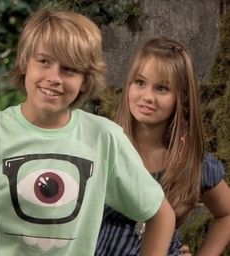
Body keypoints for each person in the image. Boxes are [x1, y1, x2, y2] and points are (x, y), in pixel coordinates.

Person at [0, 10, 176, 256]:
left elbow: (160, 215)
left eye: (69, 69)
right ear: (26, 62)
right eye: (44, 61)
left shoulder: (104, 137)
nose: (54, 78)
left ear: (85, 80)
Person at [95, 37, 230, 256]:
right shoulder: (104, 144)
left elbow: (226, 214)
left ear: (182, 97)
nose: (148, 97)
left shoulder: (191, 162)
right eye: (140, 82)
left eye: (162, 88)